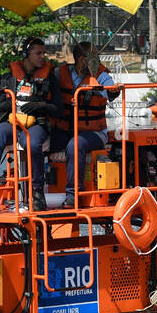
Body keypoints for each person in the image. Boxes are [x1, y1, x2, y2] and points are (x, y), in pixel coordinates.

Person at [0, 37, 61, 211]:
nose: (43, 56)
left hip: (36, 124)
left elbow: (59, 108)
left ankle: (37, 190)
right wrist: (11, 101)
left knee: (32, 143)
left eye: (44, 53)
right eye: (38, 53)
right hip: (12, 123)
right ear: (26, 54)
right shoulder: (9, 78)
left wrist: (41, 105)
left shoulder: (50, 77)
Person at [50, 41, 116, 205]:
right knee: (34, 142)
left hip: (95, 133)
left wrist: (111, 89)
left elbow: (110, 88)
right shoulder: (59, 74)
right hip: (66, 130)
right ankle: (34, 191)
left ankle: (73, 194)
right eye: (93, 57)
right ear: (82, 60)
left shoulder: (100, 74)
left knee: (75, 144)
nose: (97, 61)